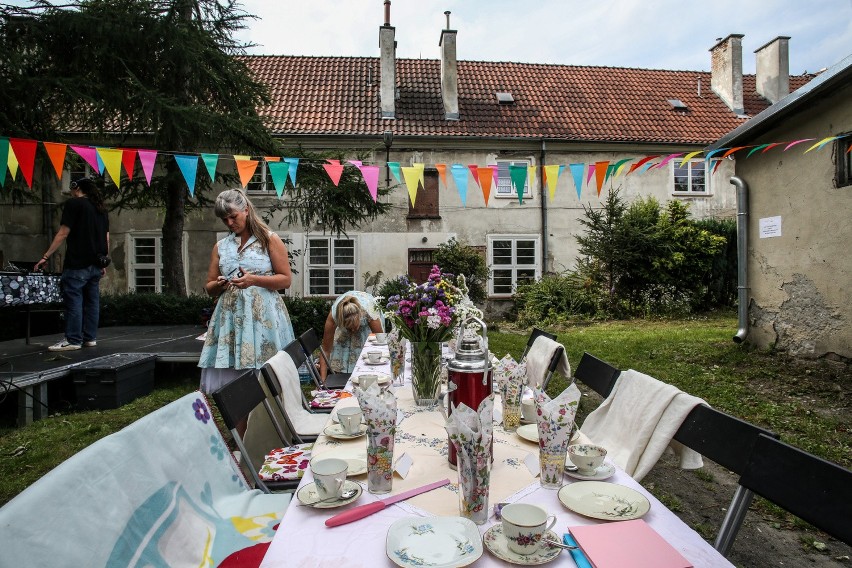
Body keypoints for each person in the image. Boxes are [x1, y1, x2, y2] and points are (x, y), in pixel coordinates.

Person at [198, 189, 295, 434]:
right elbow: (208, 287)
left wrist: (255, 280)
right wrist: (218, 285)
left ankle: (273, 433)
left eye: (233, 217)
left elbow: (285, 280)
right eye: (224, 220)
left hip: (264, 319)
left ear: (246, 210)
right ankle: (241, 438)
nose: (230, 223)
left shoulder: (269, 239)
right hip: (230, 320)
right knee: (235, 381)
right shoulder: (221, 246)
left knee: (266, 376)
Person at [34, 177, 109, 352]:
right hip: (97, 262)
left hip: (78, 262)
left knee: (74, 300)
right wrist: (103, 261)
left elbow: (63, 233)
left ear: (76, 188)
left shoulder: (74, 204)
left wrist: (46, 256)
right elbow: (106, 237)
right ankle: (90, 338)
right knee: (92, 302)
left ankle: (73, 339)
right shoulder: (101, 208)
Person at [320, 291, 384, 380]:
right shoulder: (334, 315)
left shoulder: (370, 313)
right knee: (341, 346)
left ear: (360, 318)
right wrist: (322, 382)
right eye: (349, 328)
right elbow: (326, 350)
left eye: (355, 327)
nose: (353, 330)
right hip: (344, 314)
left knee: (366, 353)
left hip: (367, 307)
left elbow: (381, 343)